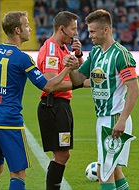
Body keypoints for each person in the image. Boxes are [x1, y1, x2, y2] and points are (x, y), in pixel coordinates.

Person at [0, 11, 76, 190]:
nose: (30, 28)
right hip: (9, 122)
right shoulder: (22, 59)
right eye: (26, 25)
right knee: (18, 174)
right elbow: (48, 86)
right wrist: (67, 69)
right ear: (17, 30)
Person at [65, 9, 139, 190]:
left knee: (103, 173)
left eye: (92, 31)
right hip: (103, 118)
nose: (89, 35)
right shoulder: (96, 53)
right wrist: (72, 66)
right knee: (114, 172)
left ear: (106, 30)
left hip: (114, 118)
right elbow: (78, 81)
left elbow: (134, 90)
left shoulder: (121, 54)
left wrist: (121, 120)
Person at [36, 11, 89, 190]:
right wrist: (79, 85)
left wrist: (79, 53)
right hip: (53, 106)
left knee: (62, 155)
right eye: (73, 29)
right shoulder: (51, 50)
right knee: (61, 155)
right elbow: (50, 84)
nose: (76, 33)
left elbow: (80, 74)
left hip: (62, 106)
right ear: (61, 28)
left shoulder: (63, 48)